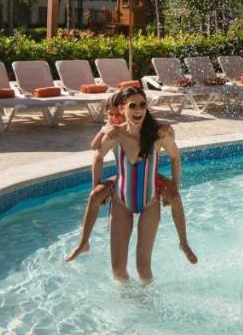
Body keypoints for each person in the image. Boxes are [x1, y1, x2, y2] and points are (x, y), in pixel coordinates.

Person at [63, 87, 196, 279]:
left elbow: (175, 157)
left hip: (150, 203)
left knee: (143, 269)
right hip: (121, 203)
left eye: (142, 105)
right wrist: (97, 185)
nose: (138, 110)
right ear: (122, 108)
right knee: (118, 270)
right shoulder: (115, 135)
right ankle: (125, 298)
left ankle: (182, 244)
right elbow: (97, 156)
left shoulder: (158, 135)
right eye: (132, 105)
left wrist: (176, 184)